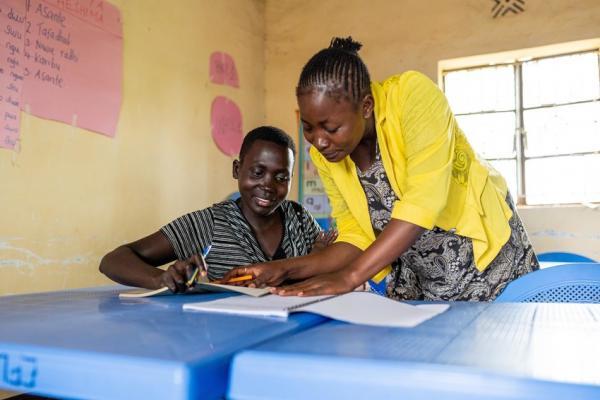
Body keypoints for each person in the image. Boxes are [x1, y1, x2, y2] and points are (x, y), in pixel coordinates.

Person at [223, 37, 539, 301]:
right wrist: (286, 268)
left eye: (330, 127)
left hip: (486, 267)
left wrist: (350, 276)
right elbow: (355, 236)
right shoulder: (329, 155)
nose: (318, 141)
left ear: (366, 106)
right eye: (308, 127)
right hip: (423, 278)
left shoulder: (412, 97)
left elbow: (423, 201)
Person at [99, 126, 335, 293]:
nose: (268, 186)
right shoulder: (208, 224)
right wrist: (160, 279)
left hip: (288, 340)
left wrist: (318, 261)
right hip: (223, 340)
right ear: (237, 170)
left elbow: (330, 270)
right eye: (257, 172)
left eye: (281, 177)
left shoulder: (300, 219)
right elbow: (113, 260)